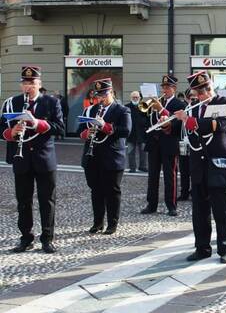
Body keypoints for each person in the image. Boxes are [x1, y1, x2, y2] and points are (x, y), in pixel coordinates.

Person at [1, 66, 64, 254]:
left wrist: (37, 123)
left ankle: (47, 238)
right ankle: (26, 238)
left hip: (44, 158)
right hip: (22, 159)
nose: (28, 87)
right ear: (21, 85)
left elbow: (59, 127)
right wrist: (11, 132)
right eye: (25, 83)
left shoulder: (51, 102)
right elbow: (1, 128)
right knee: (23, 201)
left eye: (32, 83)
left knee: (47, 201)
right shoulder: (11, 103)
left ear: (39, 84)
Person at [174, 71, 226, 264]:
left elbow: (218, 125)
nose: (204, 94)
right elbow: (186, 131)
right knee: (200, 211)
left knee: (222, 210)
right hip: (198, 165)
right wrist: (172, 121)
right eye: (200, 92)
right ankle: (202, 248)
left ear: (212, 86)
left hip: (219, 164)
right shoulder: (192, 108)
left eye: (207, 89)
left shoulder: (224, 102)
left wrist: (191, 121)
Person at [78, 78, 131, 235]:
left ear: (111, 93)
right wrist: (86, 133)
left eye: (104, 95)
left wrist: (105, 126)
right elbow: (79, 129)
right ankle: (97, 222)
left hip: (112, 157)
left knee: (112, 191)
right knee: (96, 190)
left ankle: (112, 224)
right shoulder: (89, 110)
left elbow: (126, 131)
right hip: (92, 156)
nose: (100, 99)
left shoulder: (122, 110)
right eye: (98, 96)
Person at [141, 75, 186, 216]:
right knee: (152, 175)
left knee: (170, 176)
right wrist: (150, 108)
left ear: (174, 88)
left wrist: (160, 109)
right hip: (154, 143)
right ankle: (151, 204)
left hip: (169, 143)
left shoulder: (179, 104)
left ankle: (171, 205)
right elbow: (146, 120)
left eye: (167, 87)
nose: (164, 90)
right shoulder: (156, 102)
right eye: (163, 87)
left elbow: (175, 123)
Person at [125, 91, 148, 173]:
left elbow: (148, 118)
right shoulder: (127, 107)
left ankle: (143, 166)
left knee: (143, 151)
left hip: (142, 132)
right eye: (133, 97)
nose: (135, 98)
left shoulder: (143, 106)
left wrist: (146, 127)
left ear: (140, 98)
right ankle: (132, 167)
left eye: (137, 97)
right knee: (131, 151)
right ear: (131, 98)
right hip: (131, 132)